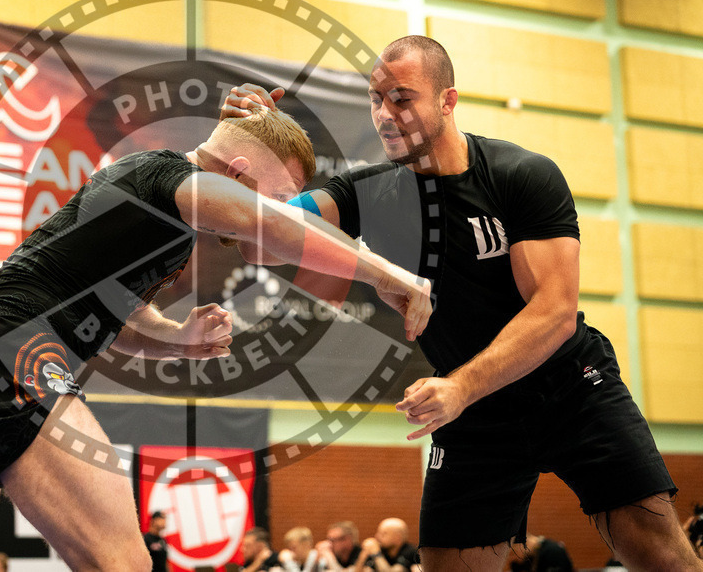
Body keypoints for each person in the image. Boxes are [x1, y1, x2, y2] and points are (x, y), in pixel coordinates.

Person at [224, 35, 703, 572]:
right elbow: (260, 236)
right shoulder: (364, 192)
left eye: (402, 99)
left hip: (569, 387)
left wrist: (459, 387)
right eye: (376, 99)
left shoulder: (520, 175)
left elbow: (554, 312)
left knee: (662, 557)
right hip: (472, 410)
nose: (385, 114)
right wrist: (247, 148)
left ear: (448, 101)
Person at [0, 104, 432, 572]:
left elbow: (111, 321)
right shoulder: (171, 177)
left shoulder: (157, 209)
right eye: (280, 197)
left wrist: (178, 337)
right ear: (238, 175)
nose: (286, 211)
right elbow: (278, 230)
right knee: (124, 564)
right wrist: (390, 275)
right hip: (12, 353)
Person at [508, 534, 573, 572]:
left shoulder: (552, 551)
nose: (514, 558)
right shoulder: (530, 557)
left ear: (522, 546)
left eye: (513, 553)